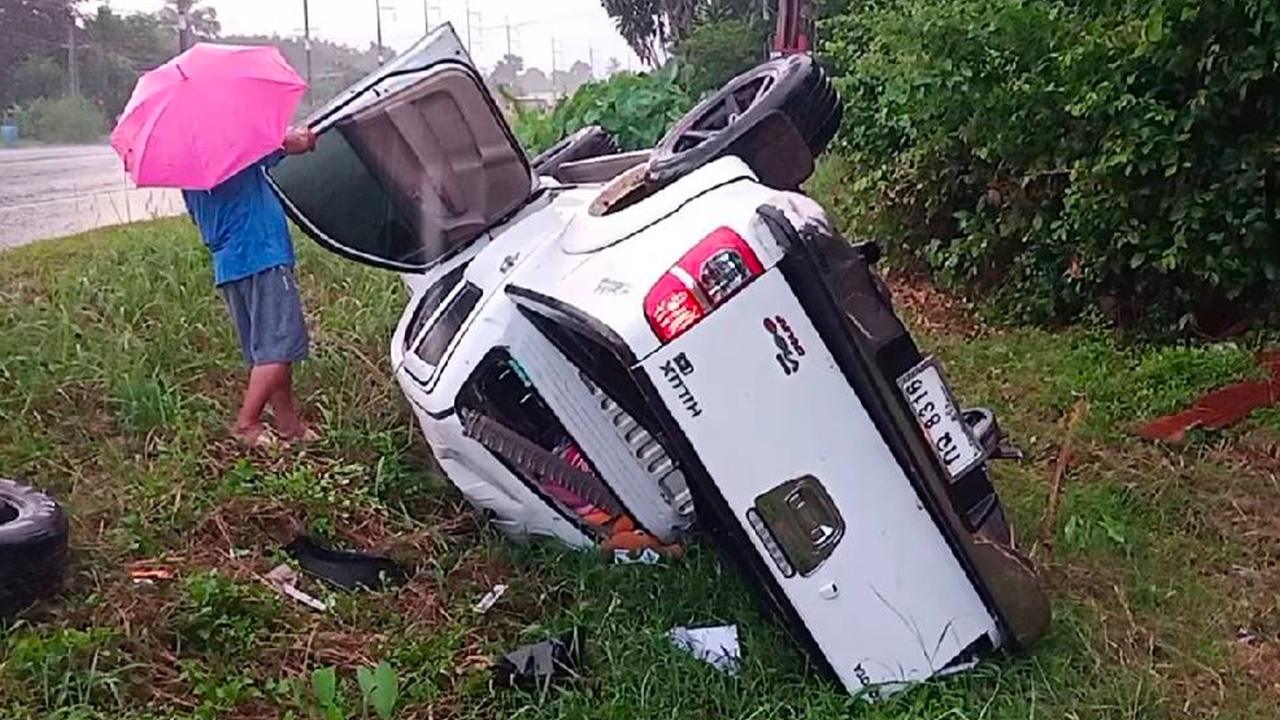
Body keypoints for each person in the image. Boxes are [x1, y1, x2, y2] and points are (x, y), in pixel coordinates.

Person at [183, 127, 318, 447]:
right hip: (261, 252)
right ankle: (247, 423)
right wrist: (306, 137)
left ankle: (288, 425)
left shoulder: (189, 165)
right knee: (280, 343)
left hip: (230, 263)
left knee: (266, 350)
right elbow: (294, 142)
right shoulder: (235, 141)